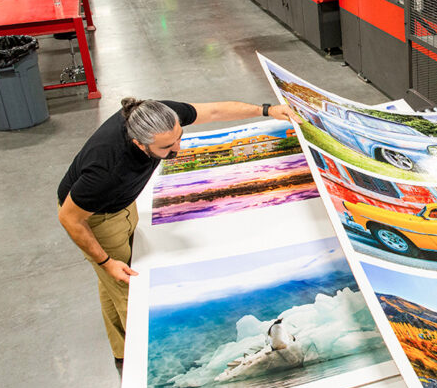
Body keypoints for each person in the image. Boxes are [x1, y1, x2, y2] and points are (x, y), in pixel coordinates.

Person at [57, 97, 297, 364]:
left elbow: (213, 108)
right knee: (129, 292)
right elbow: (69, 218)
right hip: (97, 218)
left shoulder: (158, 116)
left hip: (123, 203)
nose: (178, 148)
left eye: (179, 137)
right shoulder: (106, 170)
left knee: (112, 281)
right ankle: (142, 364)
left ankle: (121, 350)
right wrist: (105, 260)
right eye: (167, 146)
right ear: (139, 143)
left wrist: (266, 110)